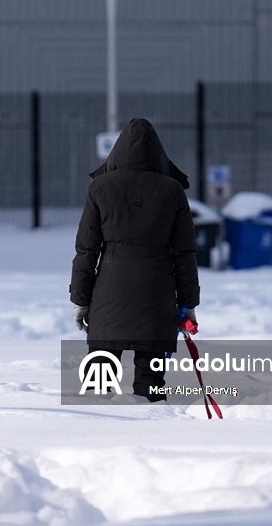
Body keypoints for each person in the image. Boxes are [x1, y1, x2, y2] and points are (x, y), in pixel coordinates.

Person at [69, 118, 200, 402]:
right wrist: (188, 303)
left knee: (98, 386)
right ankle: (151, 436)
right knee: (150, 385)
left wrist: (81, 299)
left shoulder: (100, 188)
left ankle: (93, 430)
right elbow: (185, 253)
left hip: (108, 295)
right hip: (158, 294)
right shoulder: (172, 190)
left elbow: (86, 250)